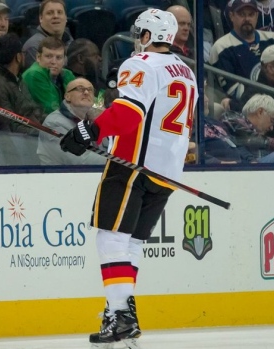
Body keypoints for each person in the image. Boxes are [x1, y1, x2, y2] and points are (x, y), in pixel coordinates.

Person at [59, 9, 198, 347]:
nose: (138, 40)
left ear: (148, 36)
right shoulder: (187, 71)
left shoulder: (141, 64)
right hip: (167, 171)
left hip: (133, 163)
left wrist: (88, 130)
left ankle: (121, 314)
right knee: (131, 242)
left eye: (140, 34)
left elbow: (127, 115)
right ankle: (120, 312)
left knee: (110, 237)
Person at [209, 0, 274, 99]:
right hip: (246, 108)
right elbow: (233, 91)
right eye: (241, 14)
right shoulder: (222, 47)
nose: (247, 19)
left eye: (251, 14)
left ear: (257, 16)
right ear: (231, 16)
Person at [37, 78, 105, 166]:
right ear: (67, 96)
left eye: (90, 90)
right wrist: (119, 161)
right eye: (80, 89)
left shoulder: (92, 120)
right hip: (60, 177)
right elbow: (80, 160)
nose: (86, 93)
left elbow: (109, 148)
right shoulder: (54, 123)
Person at [22, 36, 75, 114]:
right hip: (40, 123)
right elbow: (52, 109)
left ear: (64, 60)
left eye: (58, 57)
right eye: (48, 56)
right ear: (38, 57)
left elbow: (82, 96)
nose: (54, 62)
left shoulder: (67, 74)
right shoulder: (34, 74)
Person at [22, 0, 73, 68]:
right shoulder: (34, 46)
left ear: (66, 18)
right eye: (50, 13)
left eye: (59, 12)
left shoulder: (70, 40)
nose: (55, 16)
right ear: (41, 18)